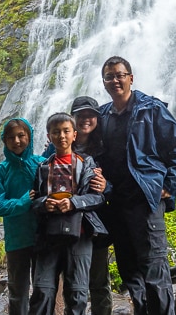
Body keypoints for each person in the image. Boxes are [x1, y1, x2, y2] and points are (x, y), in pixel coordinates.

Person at [96, 56, 176, 315]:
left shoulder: (152, 109)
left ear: (131, 78)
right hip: (116, 202)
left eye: (120, 75)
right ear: (103, 82)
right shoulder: (102, 115)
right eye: (109, 76)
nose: (115, 80)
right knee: (129, 269)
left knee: (154, 267)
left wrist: (169, 184)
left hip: (145, 200)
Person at [29, 113, 107, 315]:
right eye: (56, 132)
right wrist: (45, 203)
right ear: (49, 136)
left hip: (80, 235)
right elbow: (34, 200)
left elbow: (97, 197)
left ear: (74, 134)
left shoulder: (86, 163)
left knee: (77, 294)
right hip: (48, 236)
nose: (61, 136)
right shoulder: (43, 167)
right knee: (42, 291)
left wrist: (73, 202)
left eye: (66, 131)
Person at [0, 118, 46, 315]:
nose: (17, 141)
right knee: (17, 291)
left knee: (43, 289)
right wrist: (22, 202)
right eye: (11, 137)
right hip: (17, 239)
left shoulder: (41, 163)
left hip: (43, 237)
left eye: (21, 135)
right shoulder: (0, 171)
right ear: (5, 141)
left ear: (29, 137)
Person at [70, 96, 113, 315]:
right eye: (81, 115)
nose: (86, 119)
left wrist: (106, 185)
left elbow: (117, 184)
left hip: (96, 224)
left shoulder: (106, 148)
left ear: (97, 118)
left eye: (90, 115)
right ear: (73, 118)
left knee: (99, 281)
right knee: (71, 283)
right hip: (68, 222)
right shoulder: (59, 144)